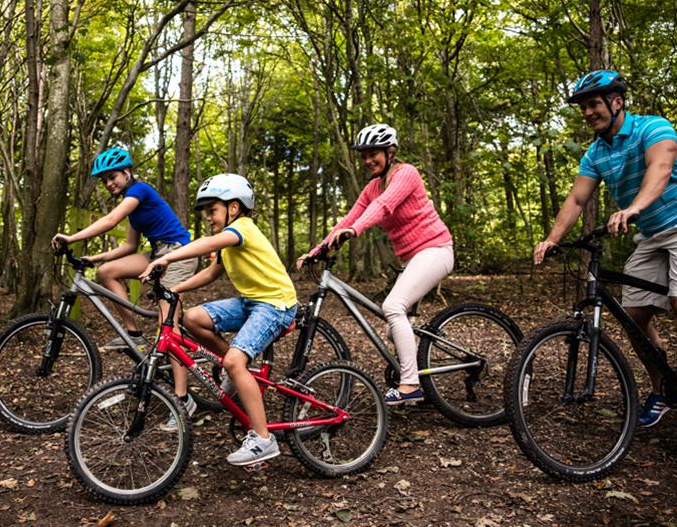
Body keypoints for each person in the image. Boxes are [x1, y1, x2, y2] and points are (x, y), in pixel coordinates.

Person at [533, 70, 677, 427]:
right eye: (584, 107)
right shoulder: (595, 153)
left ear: (616, 101)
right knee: (634, 317)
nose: (588, 112)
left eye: (594, 103)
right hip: (651, 236)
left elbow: (661, 168)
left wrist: (634, 208)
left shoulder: (653, 128)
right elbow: (577, 199)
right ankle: (664, 390)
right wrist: (552, 239)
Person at [140, 173, 298, 466]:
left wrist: (167, 258)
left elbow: (207, 241)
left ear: (233, 208)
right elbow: (212, 273)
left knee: (234, 362)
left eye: (212, 210)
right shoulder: (228, 240)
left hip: (276, 303)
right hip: (251, 301)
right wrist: (175, 288)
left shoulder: (242, 229)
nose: (209, 217)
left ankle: (263, 439)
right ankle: (237, 369)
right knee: (193, 318)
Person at [297, 123, 454, 406]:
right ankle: (418, 375)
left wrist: (354, 232)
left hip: (435, 249)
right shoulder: (372, 187)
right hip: (412, 259)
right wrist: (316, 251)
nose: (368, 160)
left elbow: (383, 206)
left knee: (392, 307)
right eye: (364, 156)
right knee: (394, 328)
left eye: (374, 154)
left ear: (390, 152)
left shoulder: (406, 174)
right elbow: (348, 218)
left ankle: (410, 385)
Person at [52, 148, 198, 431]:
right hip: (158, 253)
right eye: (105, 180)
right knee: (107, 272)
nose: (109, 183)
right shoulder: (134, 209)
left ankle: (182, 400)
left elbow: (109, 222)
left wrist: (71, 238)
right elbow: (129, 246)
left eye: (113, 177)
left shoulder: (140, 191)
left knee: (167, 325)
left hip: (179, 253)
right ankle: (133, 333)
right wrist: (93, 259)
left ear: (127, 172)